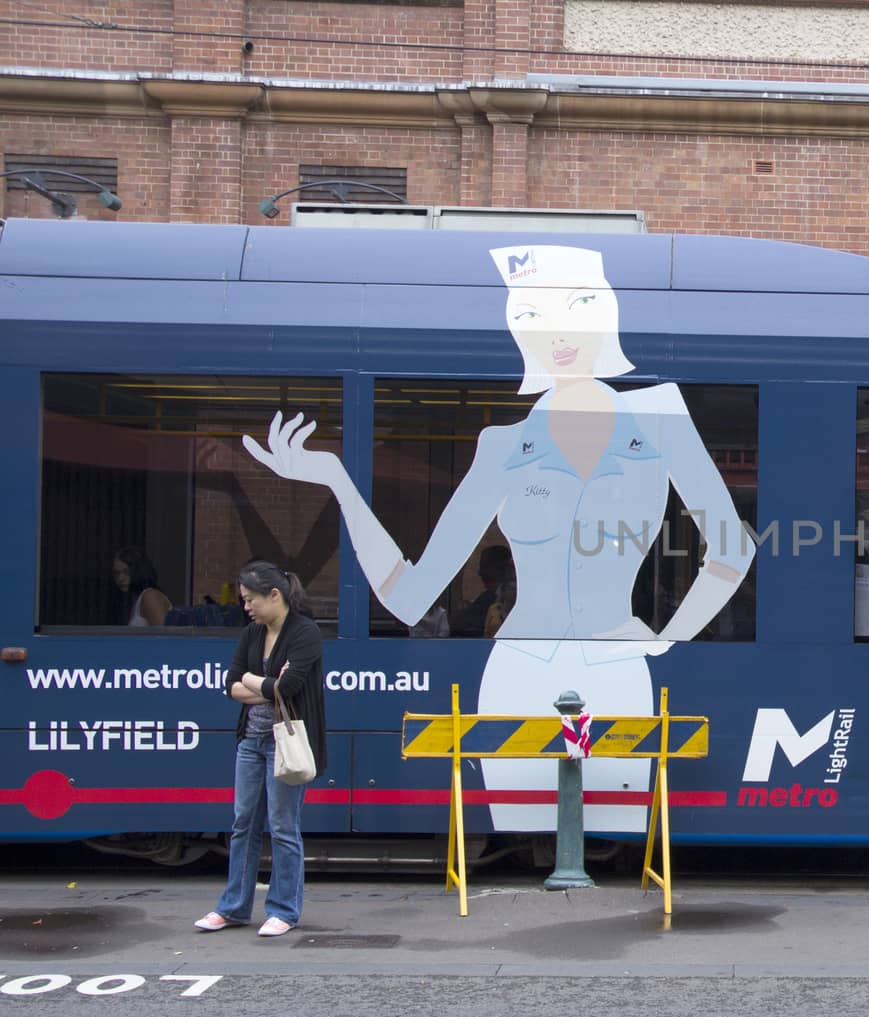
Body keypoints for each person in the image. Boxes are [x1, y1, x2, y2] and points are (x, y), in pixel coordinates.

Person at [243, 244, 751, 834]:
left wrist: (665, 639)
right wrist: (337, 479)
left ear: (603, 311)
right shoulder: (502, 446)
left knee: (623, 831)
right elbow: (409, 596)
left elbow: (732, 547)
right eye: (532, 316)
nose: (556, 332)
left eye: (575, 306)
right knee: (521, 824)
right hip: (518, 674)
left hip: (619, 668)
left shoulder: (661, 415)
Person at [195, 561, 327, 936]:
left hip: (284, 744)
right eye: (243, 600)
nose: (246, 607)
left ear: (275, 595)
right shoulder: (252, 634)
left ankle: (283, 911)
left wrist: (253, 681)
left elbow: (284, 689)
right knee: (243, 824)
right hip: (250, 743)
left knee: (283, 826)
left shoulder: (306, 633)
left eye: (251, 599)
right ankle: (233, 908)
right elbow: (230, 686)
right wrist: (264, 684)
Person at [455, 543, 512, 637]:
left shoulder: (493, 598)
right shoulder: (488, 597)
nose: (480, 573)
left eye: (485, 566)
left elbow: (461, 622)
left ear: (500, 569)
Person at [111, 547, 172, 627]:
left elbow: (166, 635)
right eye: (116, 573)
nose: (120, 578)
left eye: (126, 572)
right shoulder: (133, 601)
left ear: (139, 570)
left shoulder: (150, 596)